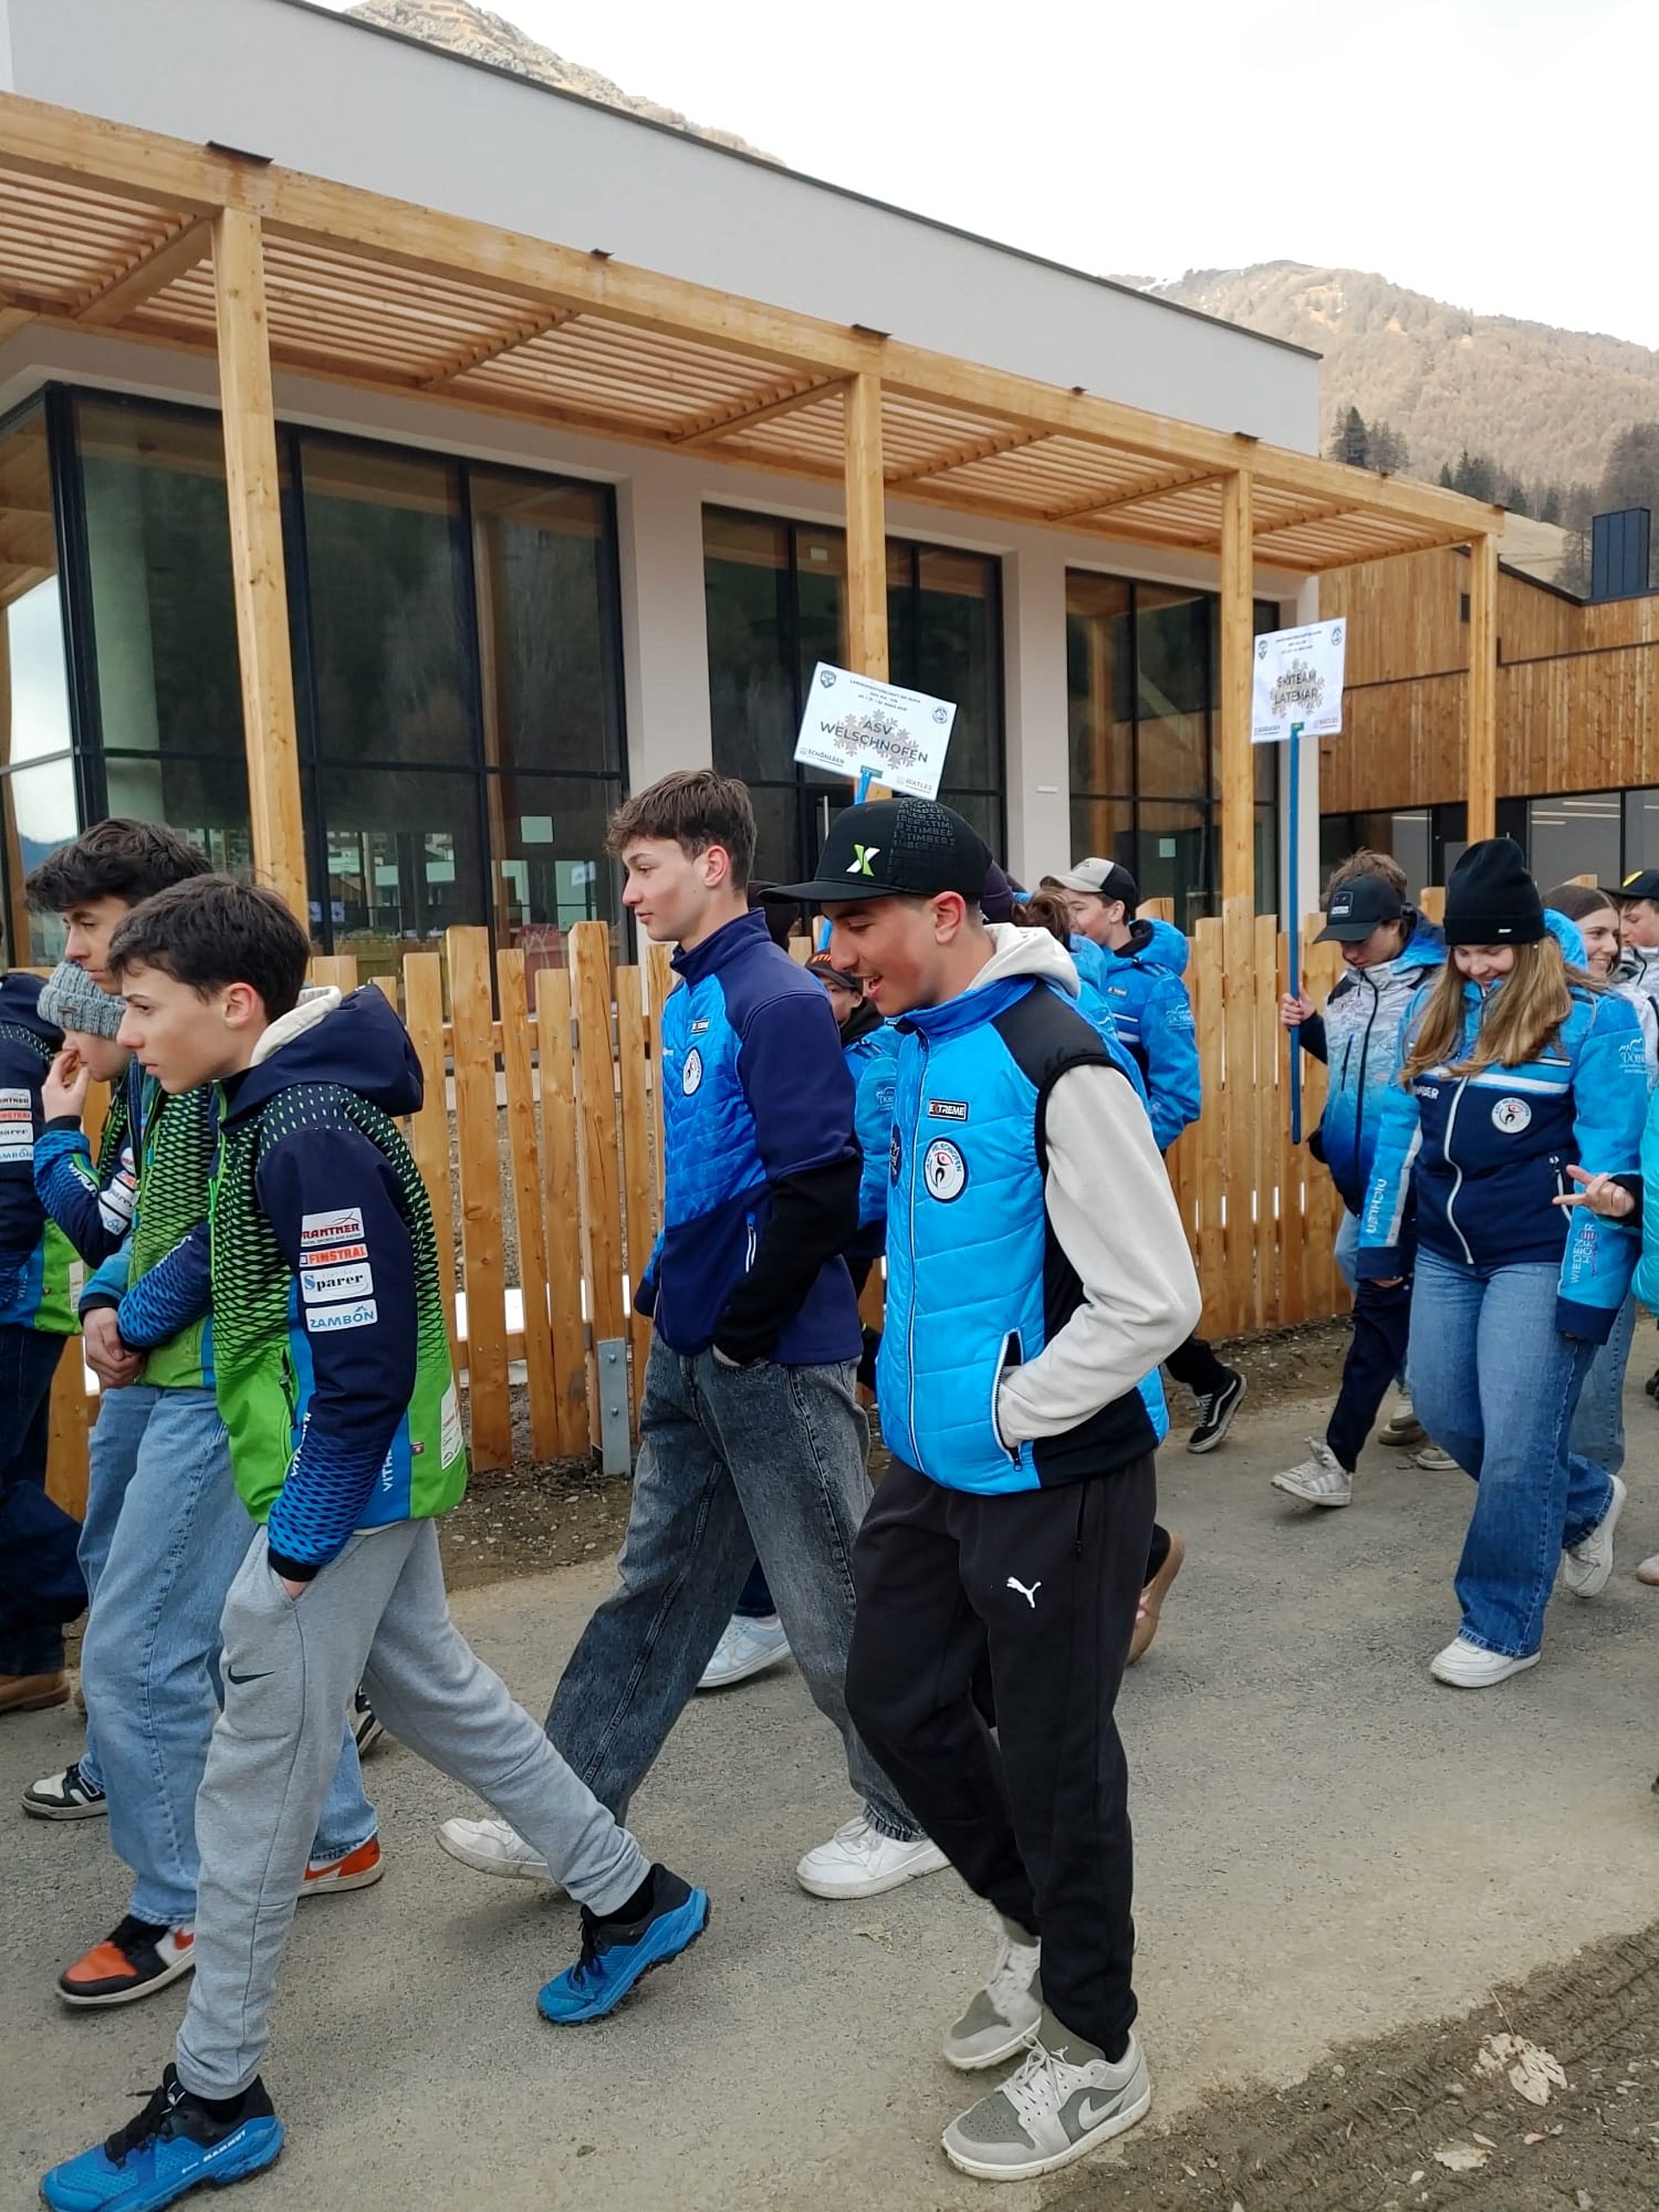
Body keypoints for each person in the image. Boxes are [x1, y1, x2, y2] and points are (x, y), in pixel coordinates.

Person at [40, 878, 709, 2212]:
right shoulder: (263, 1103)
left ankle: (214, 2097)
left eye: (142, 1005)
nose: (126, 1031)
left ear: (235, 1004)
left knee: (253, 1788)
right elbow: (234, 1250)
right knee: (439, 1695)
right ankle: (632, 1896)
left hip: (342, 1491)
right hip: (360, 1485)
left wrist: (291, 1556)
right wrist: (138, 1310)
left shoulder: (311, 1134)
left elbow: (357, 1371)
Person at [776, 797, 1198, 2180]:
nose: (837, 950)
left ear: (947, 915)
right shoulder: (923, 1043)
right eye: (832, 924)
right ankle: (1039, 1931)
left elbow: (1156, 1298)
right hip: (934, 1463)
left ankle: (1097, 2043)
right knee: (895, 1701)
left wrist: (1013, 1408)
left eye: (859, 922)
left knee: (1060, 1759)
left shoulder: (1056, 1056)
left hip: (1057, 1473)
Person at [438, 771, 944, 1903]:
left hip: (770, 1357)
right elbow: (714, 1172)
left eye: (643, 868)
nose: (628, 893)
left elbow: (821, 1186)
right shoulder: (696, 994)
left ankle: (914, 1812)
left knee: (833, 1603)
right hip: (696, 1345)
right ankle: (566, 1820)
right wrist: (670, 1284)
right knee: (654, 1594)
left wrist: (743, 1328)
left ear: (712, 864)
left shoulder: (776, 999)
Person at [25, 821, 379, 2006]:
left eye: (90, 930)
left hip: (210, 1387)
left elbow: (195, 1236)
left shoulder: (223, 1082)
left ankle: (182, 1901)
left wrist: (115, 1289)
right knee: (243, 1641)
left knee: (137, 1655)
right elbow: (158, 1230)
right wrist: (112, 1297)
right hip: (185, 1377)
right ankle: (336, 1832)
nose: (78, 960)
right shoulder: (172, 1061)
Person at [1357, 840, 1647, 1688]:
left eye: (1493, 949)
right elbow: (1397, 1133)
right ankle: (1585, 1499)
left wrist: (1603, 1250)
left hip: (1541, 1254)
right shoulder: (1432, 1009)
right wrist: (1379, 1239)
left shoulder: (1595, 1020)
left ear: (1530, 942)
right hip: (1448, 1253)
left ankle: (1501, 1623)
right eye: (1465, 949)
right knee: (1448, 1413)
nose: (1477, 965)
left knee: (1520, 1440)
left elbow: (1611, 1160)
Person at [697, 946, 899, 1694]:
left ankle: (768, 1610)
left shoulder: (876, 1058)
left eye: (829, 987)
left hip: (832, 1243)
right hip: (798, 1241)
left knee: (800, 1411)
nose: (815, 996)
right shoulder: (816, 1040)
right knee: (820, 1390)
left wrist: (814, 1233)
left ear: (855, 998)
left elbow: (859, 1171)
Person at [1009, 885, 1184, 1661]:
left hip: (1074, 1284)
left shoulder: (1076, 1033)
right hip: (1026, 1290)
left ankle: (1141, 1568)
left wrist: (1116, 1171)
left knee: (1077, 1480)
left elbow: (1162, 1101)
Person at [1059, 858, 1246, 1453]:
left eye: (1080, 907)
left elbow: (1180, 1095)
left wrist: (1129, 1149)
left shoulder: (1157, 986)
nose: (1069, 917)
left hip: (1122, 1161)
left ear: (1116, 910)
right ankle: (1207, 1381)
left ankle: (1201, 1385)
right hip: (1072, 1155)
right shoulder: (1062, 967)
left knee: (1124, 1287)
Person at [1273, 868, 1445, 1506]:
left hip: (1410, 1182)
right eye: (1340, 940)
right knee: (1370, 1275)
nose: (1349, 951)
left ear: (1396, 925)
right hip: (1358, 1179)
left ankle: (1341, 1457)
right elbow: (1350, 1064)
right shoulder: (1350, 989)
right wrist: (1310, 1026)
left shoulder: (1437, 989)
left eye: (1360, 938)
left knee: (1381, 1306)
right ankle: (1434, 1402)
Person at [1547, 882, 1658, 1578]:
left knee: (1592, 1382)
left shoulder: (1632, 1010)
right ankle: (1567, 1501)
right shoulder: (1512, 1010)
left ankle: (1588, 1514)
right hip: (1535, 1222)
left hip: (1612, 1214)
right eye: (1596, 933)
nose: (1611, 947)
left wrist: (1632, 1200)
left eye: (1616, 932)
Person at [0, 968, 86, 1717]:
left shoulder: (4, 1050)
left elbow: (12, 1188)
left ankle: (121, 1591)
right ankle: (27, 1663)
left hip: (13, 1295)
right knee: (12, 1478)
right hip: (22, 1294)